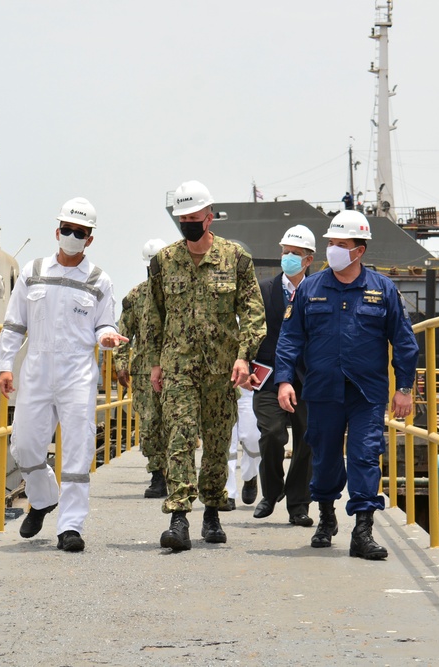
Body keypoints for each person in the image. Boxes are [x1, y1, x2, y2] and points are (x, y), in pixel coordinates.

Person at [275, 209, 419, 560]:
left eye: (342, 244)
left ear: (359, 250)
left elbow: (403, 341)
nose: (334, 250)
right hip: (322, 389)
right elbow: (290, 338)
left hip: (365, 392)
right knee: (323, 456)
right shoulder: (310, 288)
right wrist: (283, 381)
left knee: (365, 456)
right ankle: (326, 518)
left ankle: (363, 530)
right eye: (331, 243)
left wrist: (404, 388)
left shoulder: (382, 289)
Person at [0, 197, 127, 553]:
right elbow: (13, 324)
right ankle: (42, 499)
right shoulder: (33, 270)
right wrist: (6, 364)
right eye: (67, 229)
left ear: (90, 238)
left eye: (79, 232)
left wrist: (108, 338)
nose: (71, 235)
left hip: (77, 374)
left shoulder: (99, 280)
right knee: (24, 445)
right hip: (37, 369)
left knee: (77, 451)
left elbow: (104, 324)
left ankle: (70, 526)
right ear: (57, 231)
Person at [144, 180, 266, 551]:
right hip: (178, 365)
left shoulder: (235, 258)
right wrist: (153, 363)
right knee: (179, 437)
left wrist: (245, 355)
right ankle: (178, 517)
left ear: (209, 218)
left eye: (194, 217)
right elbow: (153, 314)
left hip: (221, 369)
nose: (188, 223)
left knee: (215, 443)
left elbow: (253, 311)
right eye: (183, 218)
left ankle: (212, 509)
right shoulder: (163, 261)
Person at [248, 224, 315, 528]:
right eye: (285, 252)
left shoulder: (318, 292)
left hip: (308, 379)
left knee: (307, 441)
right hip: (268, 376)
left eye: (295, 254)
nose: (288, 257)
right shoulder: (263, 290)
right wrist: (245, 363)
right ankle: (272, 491)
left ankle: (298, 504)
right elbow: (250, 330)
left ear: (308, 259)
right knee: (273, 433)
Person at [114, 239, 169, 498]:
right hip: (145, 372)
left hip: (175, 368)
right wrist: (121, 364)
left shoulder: (179, 293)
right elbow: (124, 333)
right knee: (149, 424)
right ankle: (157, 475)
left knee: (176, 422)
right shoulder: (135, 297)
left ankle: (177, 473)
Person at [223, 387, 260, 511]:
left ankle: (250, 475)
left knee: (253, 439)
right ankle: (228, 492)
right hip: (222, 385)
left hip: (249, 387)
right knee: (226, 443)